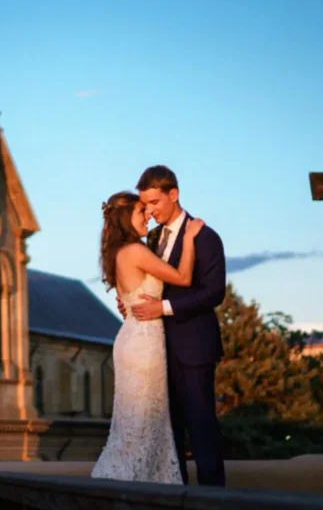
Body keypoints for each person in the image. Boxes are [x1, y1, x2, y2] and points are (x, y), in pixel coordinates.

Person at [91, 190, 203, 484]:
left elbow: (128, 300)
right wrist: (189, 239)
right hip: (144, 345)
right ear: (127, 217)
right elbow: (183, 278)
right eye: (142, 212)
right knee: (143, 426)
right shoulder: (136, 251)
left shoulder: (118, 253)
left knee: (133, 428)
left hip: (132, 339)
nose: (148, 218)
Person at [125, 165, 227, 487]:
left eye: (154, 203)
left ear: (174, 194)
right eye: (145, 205)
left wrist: (163, 308)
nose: (150, 211)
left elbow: (214, 292)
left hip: (194, 349)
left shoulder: (206, 237)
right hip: (155, 350)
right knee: (169, 434)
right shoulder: (151, 239)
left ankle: (213, 501)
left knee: (202, 429)